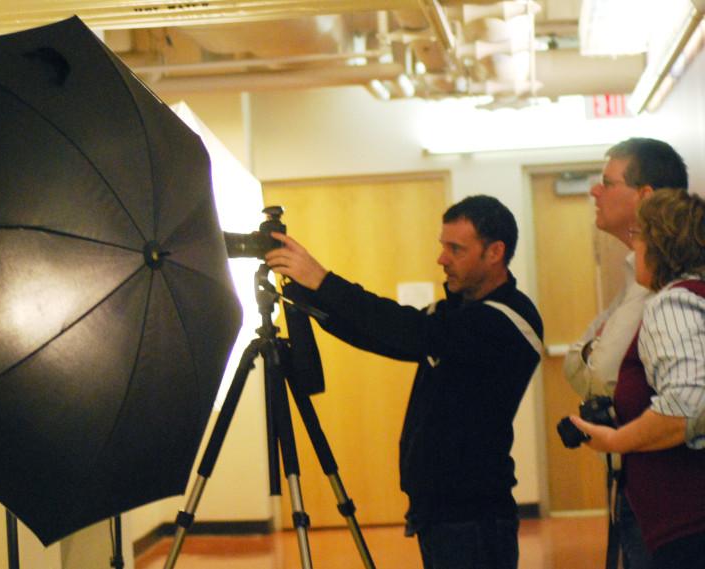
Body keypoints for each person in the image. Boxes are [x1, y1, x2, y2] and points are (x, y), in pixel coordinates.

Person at [265, 195, 543, 569]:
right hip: (442, 512)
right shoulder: (457, 312)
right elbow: (380, 335)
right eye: (442, 246)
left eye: (455, 249)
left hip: (473, 516)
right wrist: (307, 294)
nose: (441, 259)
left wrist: (323, 281)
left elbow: (408, 331)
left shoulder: (507, 321)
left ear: (495, 252)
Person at [563, 137, 688, 569]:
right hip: (642, 490)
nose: (595, 192)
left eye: (606, 182)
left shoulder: (671, 292)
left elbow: (600, 373)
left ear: (646, 197)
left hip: (674, 502)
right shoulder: (636, 270)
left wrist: (614, 439)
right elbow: (579, 362)